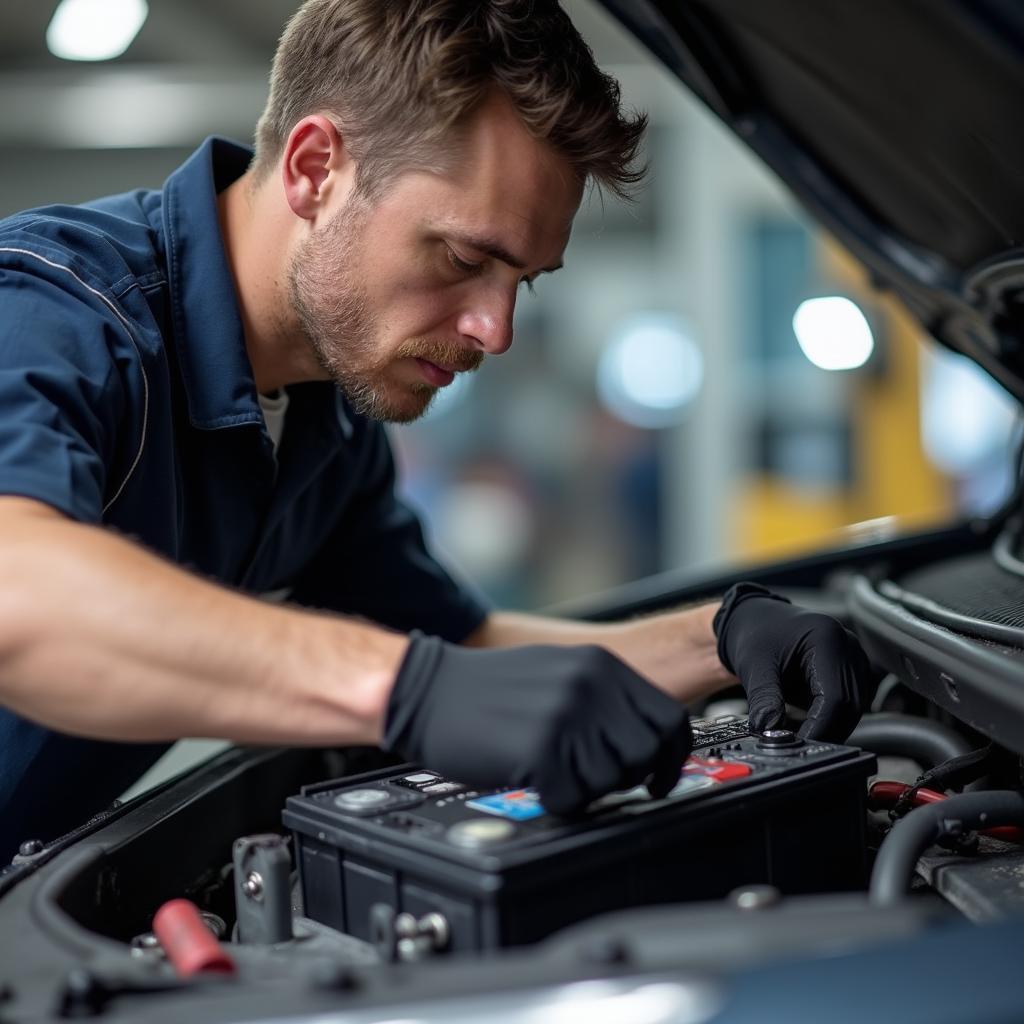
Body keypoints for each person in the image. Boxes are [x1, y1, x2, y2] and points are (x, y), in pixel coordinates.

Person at [0, 0, 871, 863]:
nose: (496, 330)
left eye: (522, 281)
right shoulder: (55, 315)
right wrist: (405, 690)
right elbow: (21, 598)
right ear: (314, 168)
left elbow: (465, 655)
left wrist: (720, 636)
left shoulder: (326, 416)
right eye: (463, 259)